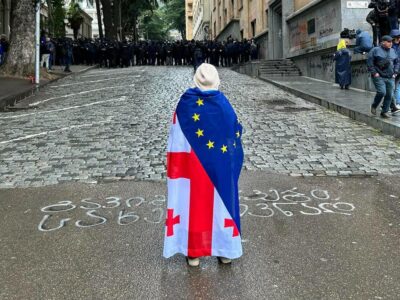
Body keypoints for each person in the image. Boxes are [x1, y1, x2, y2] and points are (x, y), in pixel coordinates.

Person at [164, 63, 244, 267]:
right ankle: (224, 250)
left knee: (194, 206)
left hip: (193, 166)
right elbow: (234, 135)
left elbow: (176, 137)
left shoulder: (185, 103)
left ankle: (194, 253)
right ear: (217, 80)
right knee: (220, 205)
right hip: (219, 167)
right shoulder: (224, 104)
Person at [367, 35, 399, 118]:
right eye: (388, 41)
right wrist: (374, 73)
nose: (390, 43)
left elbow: (397, 62)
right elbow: (370, 62)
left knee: (389, 94)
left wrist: (395, 72)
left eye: (391, 41)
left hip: (390, 76)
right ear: (383, 42)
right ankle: (374, 106)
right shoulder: (375, 50)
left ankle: (384, 112)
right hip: (379, 76)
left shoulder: (393, 51)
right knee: (382, 92)